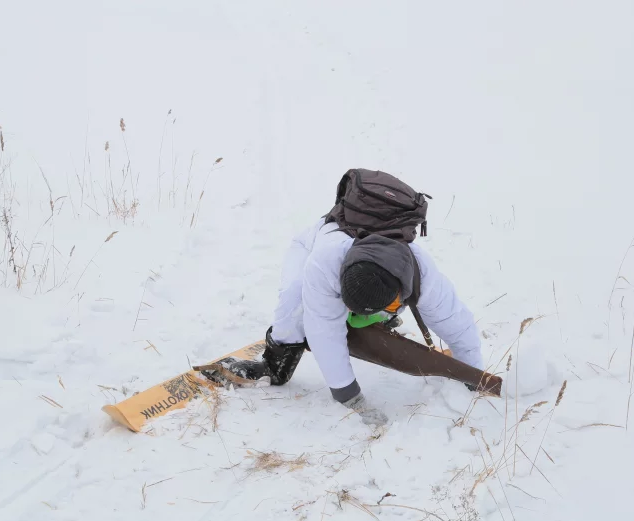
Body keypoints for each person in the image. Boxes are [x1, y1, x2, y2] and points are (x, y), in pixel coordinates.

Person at [207, 169, 483, 426]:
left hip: (376, 280)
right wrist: (349, 396)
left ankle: (375, 317)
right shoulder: (323, 261)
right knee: (294, 306)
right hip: (312, 249)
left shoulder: (423, 274)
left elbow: (458, 324)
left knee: (373, 313)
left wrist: (474, 377)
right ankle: (275, 365)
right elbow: (324, 331)